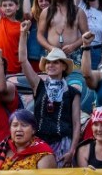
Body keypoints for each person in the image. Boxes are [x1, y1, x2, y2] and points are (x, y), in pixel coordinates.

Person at [19, 22, 81, 167]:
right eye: (48, 63)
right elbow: (23, 60)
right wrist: (23, 34)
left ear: (64, 66)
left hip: (63, 144)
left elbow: (76, 124)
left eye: (56, 62)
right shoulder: (38, 85)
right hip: (39, 143)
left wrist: (72, 150)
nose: (50, 65)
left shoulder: (73, 93)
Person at [37, 0, 89, 65]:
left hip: (74, 55)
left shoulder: (78, 12)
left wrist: (73, 46)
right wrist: (51, 48)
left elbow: (86, 35)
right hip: (52, 56)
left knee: (74, 80)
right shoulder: (46, 12)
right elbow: (40, 35)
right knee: (53, 80)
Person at [22, 0, 52, 72]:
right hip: (33, 56)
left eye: (47, 0)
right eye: (41, 1)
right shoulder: (34, 16)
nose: (44, 3)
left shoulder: (55, 16)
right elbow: (27, 12)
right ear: (37, 3)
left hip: (49, 57)